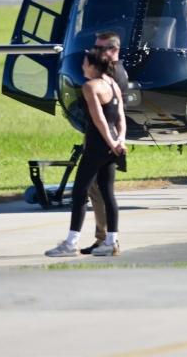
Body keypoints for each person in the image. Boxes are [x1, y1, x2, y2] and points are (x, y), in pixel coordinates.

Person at [45, 48, 126, 257]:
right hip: (112, 145)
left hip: (97, 145)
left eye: (84, 64)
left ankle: (71, 243)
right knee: (108, 193)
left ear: (92, 66)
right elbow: (120, 117)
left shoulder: (90, 87)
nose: (82, 67)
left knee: (80, 192)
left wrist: (108, 141)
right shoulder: (112, 83)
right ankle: (111, 241)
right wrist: (119, 141)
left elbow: (98, 119)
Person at [80, 32, 129, 255]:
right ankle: (106, 238)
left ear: (112, 50)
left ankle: (104, 238)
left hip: (103, 142)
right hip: (109, 141)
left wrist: (112, 140)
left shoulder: (110, 76)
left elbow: (108, 115)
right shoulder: (113, 74)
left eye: (99, 49)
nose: (94, 53)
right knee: (100, 190)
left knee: (96, 190)